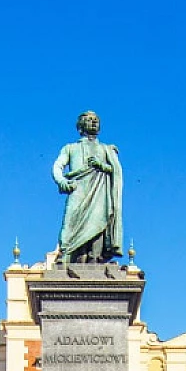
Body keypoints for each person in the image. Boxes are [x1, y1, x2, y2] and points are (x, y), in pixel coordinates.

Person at [52, 110, 123, 266]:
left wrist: (101, 165)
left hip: (99, 191)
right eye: (89, 119)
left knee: (99, 221)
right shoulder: (71, 148)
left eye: (96, 120)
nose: (94, 122)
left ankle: (94, 257)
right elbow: (57, 166)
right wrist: (62, 181)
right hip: (78, 189)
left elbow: (115, 171)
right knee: (70, 222)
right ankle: (67, 254)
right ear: (80, 126)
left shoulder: (106, 149)